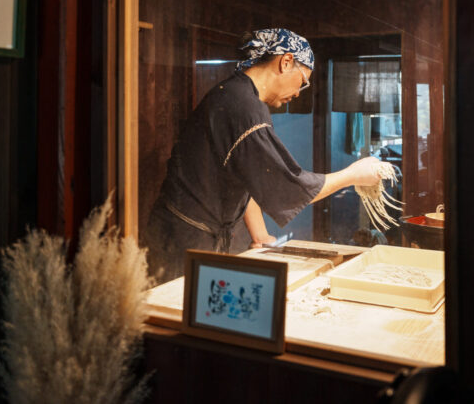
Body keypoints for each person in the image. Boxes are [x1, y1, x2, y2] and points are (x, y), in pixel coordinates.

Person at [141, 28, 384, 281]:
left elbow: (249, 174)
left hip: (185, 234)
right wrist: (353, 175)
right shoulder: (244, 106)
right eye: (303, 81)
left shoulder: (236, 94)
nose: (299, 92)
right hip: (183, 239)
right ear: (286, 62)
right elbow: (287, 186)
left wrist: (260, 234)